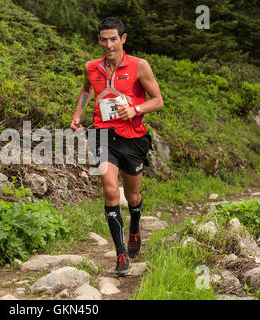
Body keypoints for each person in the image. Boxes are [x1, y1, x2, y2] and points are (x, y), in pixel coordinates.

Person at [70, 17, 163, 277]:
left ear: (123, 39)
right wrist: (78, 114)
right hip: (102, 134)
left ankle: (135, 225)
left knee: (132, 197)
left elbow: (157, 101)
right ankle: (121, 253)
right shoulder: (91, 67)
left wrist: (135, 109)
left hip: (133, 138)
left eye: (113, 39)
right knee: (111, 193)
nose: (108, 45)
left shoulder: (139, 66)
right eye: (103, 39)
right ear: (98, 40)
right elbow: (87, 89)